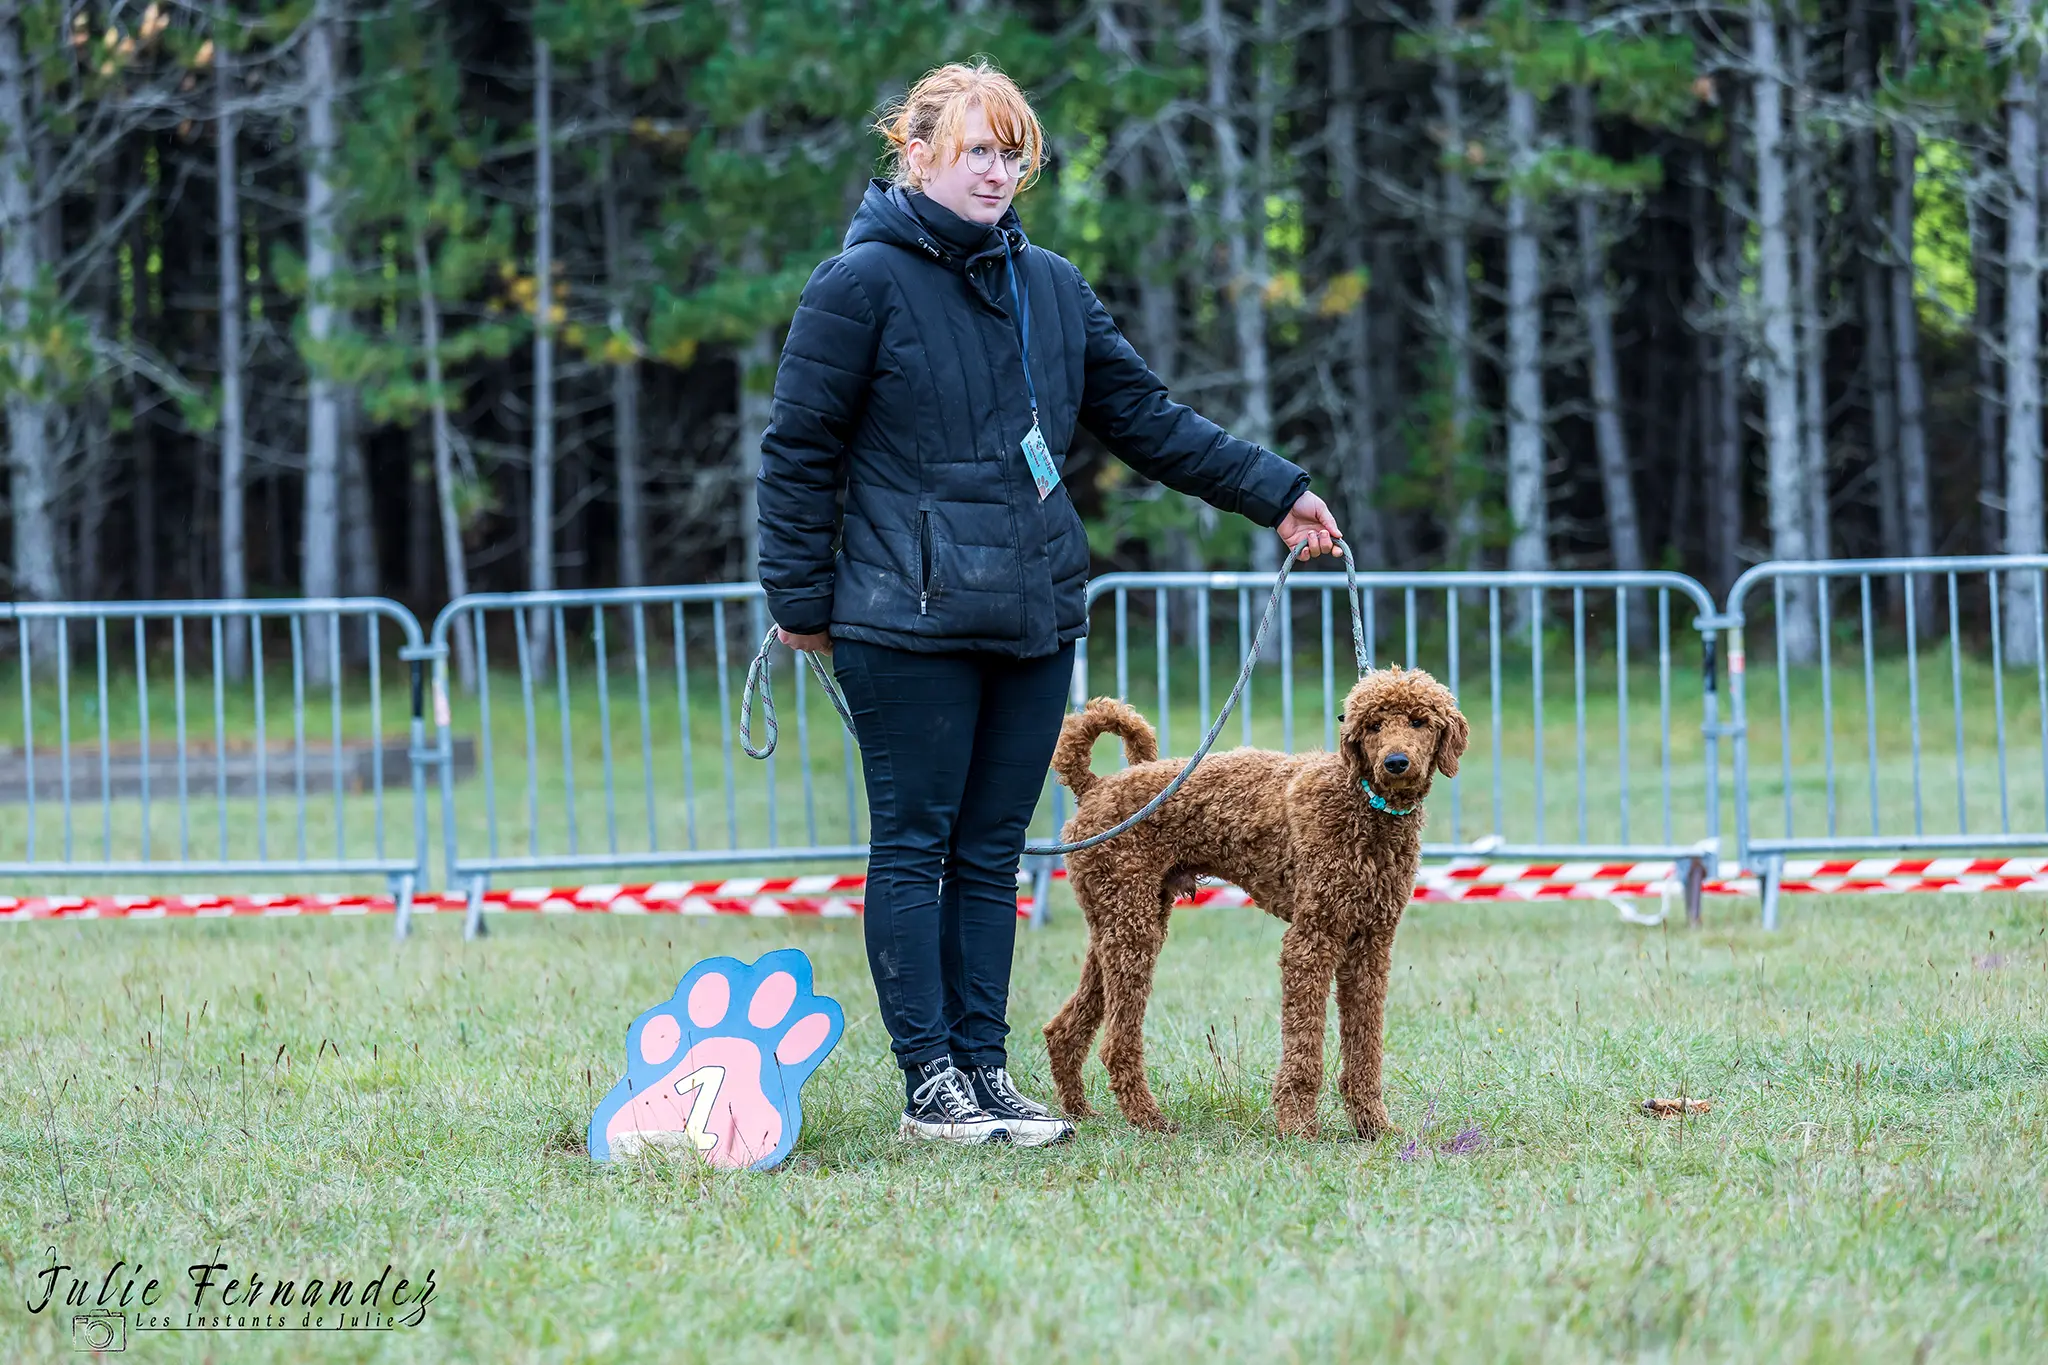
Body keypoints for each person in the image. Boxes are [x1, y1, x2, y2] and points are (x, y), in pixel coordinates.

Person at [756, 60, 1343, 1148]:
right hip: (902, 619)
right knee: (914, 845)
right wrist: (798, 598)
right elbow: (797, 452)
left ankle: (983, 1073)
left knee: (988, 853)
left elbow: (1150, 422)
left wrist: (1278, 492)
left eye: (1011, 151)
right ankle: (926, 1082)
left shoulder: (1052, 288)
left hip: (1031, 617)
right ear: (915, 152)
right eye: (975, 148)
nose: (996, 170)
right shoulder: (857, 285)